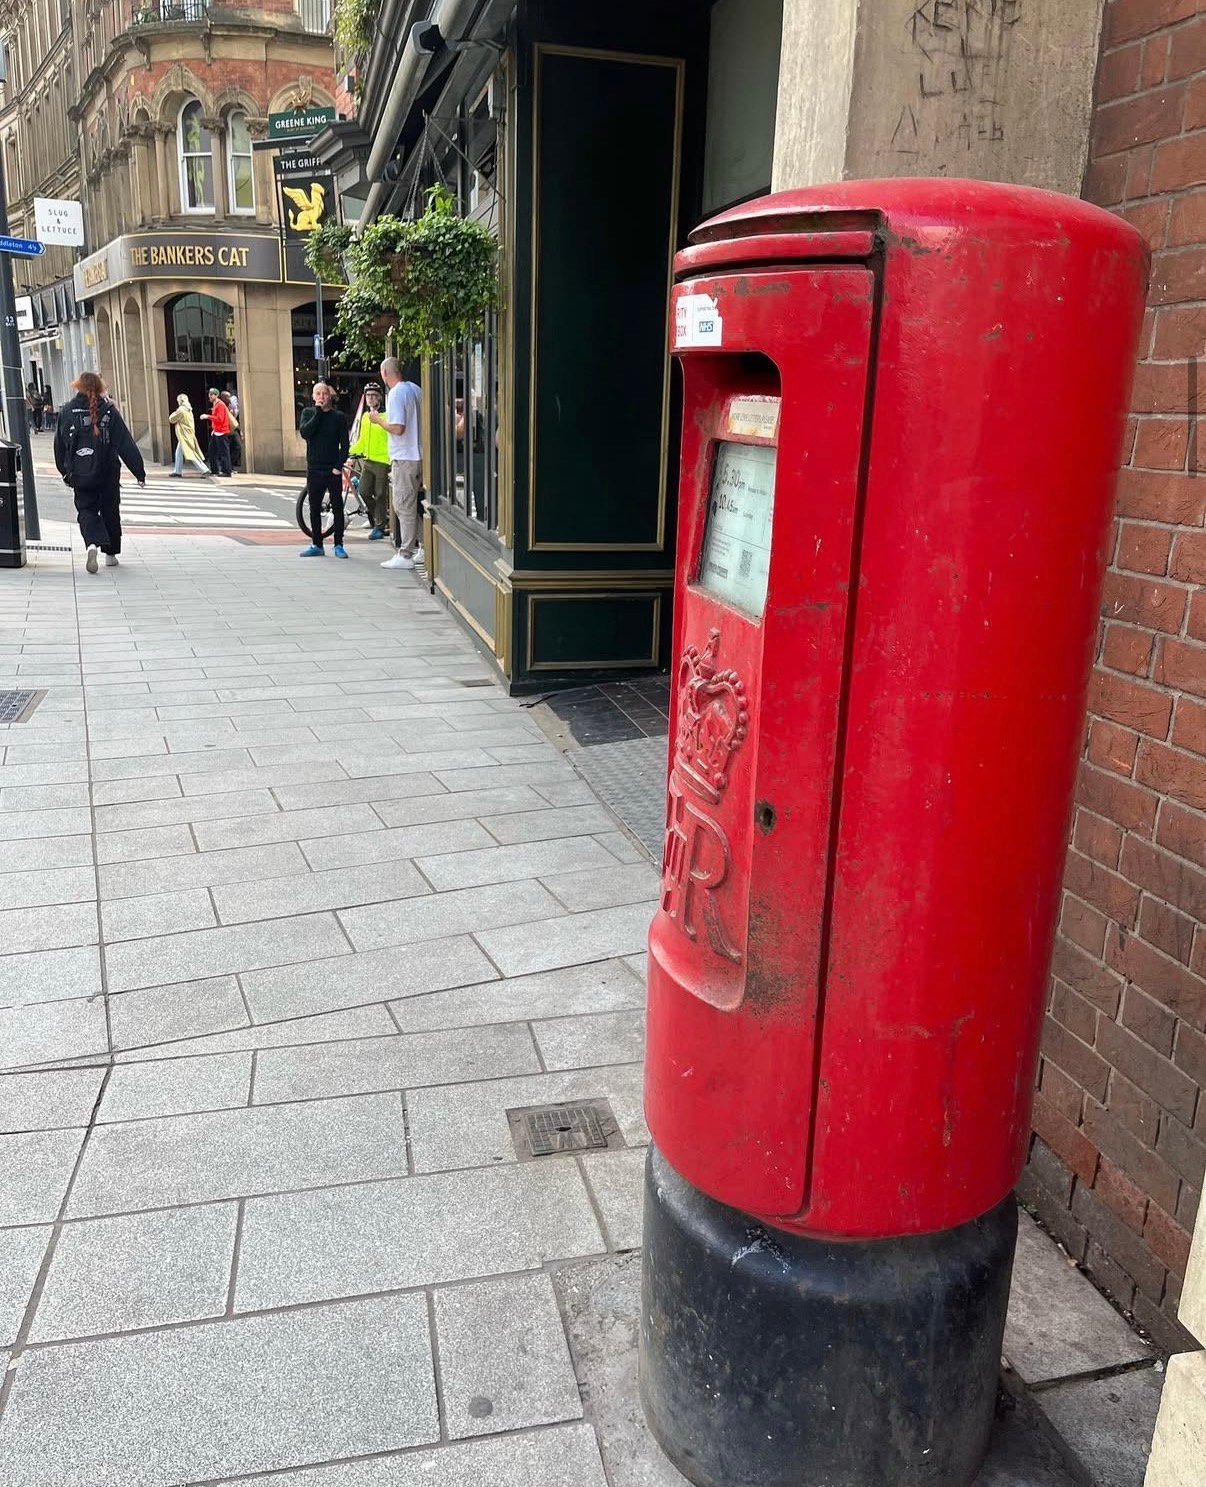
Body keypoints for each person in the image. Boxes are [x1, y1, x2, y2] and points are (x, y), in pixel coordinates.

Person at [54, 371, 146, 572]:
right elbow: (125, 443)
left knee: (86, 510)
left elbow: (59, 446)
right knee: (110, 510)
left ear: (78, 387)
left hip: (80, 474)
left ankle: (92, 544)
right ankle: (111, 554)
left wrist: (65, 472)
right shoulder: (109, 411)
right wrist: (139, 471)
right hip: (108, 472)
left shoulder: (67, 411)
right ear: (100, 387)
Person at [371, 357, 423, 571]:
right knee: (407, 504)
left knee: (403, 505)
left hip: (405, 456)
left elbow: (398, 427)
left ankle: (406, 553)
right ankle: (422, 547)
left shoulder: (396, 393)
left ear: (385, 373)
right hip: (417, 454)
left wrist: (378, 420)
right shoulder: (415, 389)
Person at [297, 381, 350, 558]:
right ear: (313, 397)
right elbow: (305, 433)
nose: (321, 397)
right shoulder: (308, 413)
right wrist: (318, 414)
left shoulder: (339, 417)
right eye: (318, 394)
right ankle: (316, 543)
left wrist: (338, 466)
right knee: (314, 506)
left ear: (330, 396)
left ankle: (339, 544)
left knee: (337, 507)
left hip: (332, 469)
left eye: (324, 394)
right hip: (314, 467)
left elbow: (345, 445)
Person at [348, 381, 391, 539]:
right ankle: (381, 519)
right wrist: (348, 452)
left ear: (380, 397)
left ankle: (379, 526)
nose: (371, 398)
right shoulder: (366, 417)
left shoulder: (386, 416)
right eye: (368, 395)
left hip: (383, 460)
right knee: (363, 491)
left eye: (374, 395)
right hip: (369, 460)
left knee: (380, 494)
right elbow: (362, 440)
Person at [168, 394, 211, 477]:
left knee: (190, 453)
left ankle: (204, 469)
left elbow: (171, 419)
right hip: (187, 434)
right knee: (179, 453)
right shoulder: (189, 409)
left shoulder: (181, 410)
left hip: (184, 435)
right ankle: (177, 471)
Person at [200, 387, 233, 476]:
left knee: (223, 452)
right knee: (212, 451)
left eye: (211, 395)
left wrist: (207, 416)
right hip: (216, 431)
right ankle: (215, 470)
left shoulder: (220, 405)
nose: (210, 396)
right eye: (209, 394)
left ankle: (226, 471)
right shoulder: (216, 404)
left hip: (221, 431)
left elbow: (220, 419)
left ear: (216, 395)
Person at [221, 391, 243, 471]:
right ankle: (227, 467)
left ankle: (229, 465)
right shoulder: (222, 406)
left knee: (238, 447)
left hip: (233, 429)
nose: (229, 398)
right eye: (227, 397)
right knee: (226, 450)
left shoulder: (231, 406)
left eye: (229, 396)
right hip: (225, 430)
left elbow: (233, 419)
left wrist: (239, 430)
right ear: (223, 398)